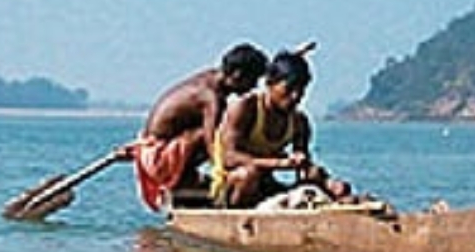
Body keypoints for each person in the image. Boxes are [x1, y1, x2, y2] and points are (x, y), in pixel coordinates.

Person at [131, 42, 267, 209]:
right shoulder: (210, 98)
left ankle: (189, 179)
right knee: (218, 136)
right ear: (237, 75)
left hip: (159, 151)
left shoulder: (211, 78)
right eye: (253, 80)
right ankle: (185, 182)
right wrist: (233, 172)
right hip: (158, 159)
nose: (253, 87)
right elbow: (214, 146)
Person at [211, 49, 350, 208]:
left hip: (265, 186)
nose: (295, 96)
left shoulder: (299, 122)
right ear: (270, 84)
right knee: (248, 174)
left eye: (301, 90)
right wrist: (280, 163)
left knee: (328, 182)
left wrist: (323, 179)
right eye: (289, 89)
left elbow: (303, 169)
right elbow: (229, 158)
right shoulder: (245, 108)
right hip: (230, 187)